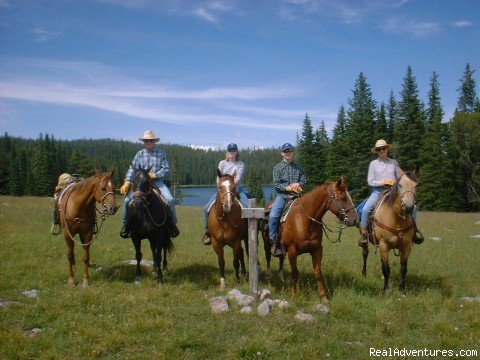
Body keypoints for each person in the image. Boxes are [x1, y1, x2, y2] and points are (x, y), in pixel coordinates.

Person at [358, 139, 424, 247]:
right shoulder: (373, 164)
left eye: (383, 148)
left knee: (414, 207)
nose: (382, 150)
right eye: (379, 149)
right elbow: (370, 181)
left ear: (387, 149)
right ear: (377, 151)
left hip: (393, 191)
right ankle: (364, 235)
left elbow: (400, 177)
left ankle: (414, 231)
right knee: (365, 209)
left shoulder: (394, 163)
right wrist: (382, 182)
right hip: (378, 191)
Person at [119, 130, 179, 239]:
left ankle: (172, 224)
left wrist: (155, 175)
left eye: (151, 140)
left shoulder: (161, 153)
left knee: (170, 200)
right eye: (146, 141)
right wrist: (127, 181)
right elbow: (132, 169)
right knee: (127, 201)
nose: (149, 142)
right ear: (144, 142)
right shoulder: (139, 154)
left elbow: (166, 168)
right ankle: (126, 226)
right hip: (140, 184)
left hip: (157, 182)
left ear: (154, 141)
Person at [202, 143, 251, 245]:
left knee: (247, 207)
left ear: (237, 152)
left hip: (236, 189)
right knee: (206, 208)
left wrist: (231, 187)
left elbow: (237, 179)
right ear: (227, 152)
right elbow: (218, 179)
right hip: (223, 190)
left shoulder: (240, 164)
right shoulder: (222, 163)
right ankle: (208, 232)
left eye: (234, 150)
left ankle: (248, 232)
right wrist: (221, 188)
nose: (232, 152)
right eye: (230, 151)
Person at [268, 143, 306, 257]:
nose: (288, 153)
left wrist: (298, 183)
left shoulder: (298, 167)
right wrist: (287, 187)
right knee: (273, 216)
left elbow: (304, 180)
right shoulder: (277, 167)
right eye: (285, 151)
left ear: (292, 153)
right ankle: (273, 240)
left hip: (297, 196)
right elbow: (276, 184)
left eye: (290, 151)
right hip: (282, 196)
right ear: (282, 154)